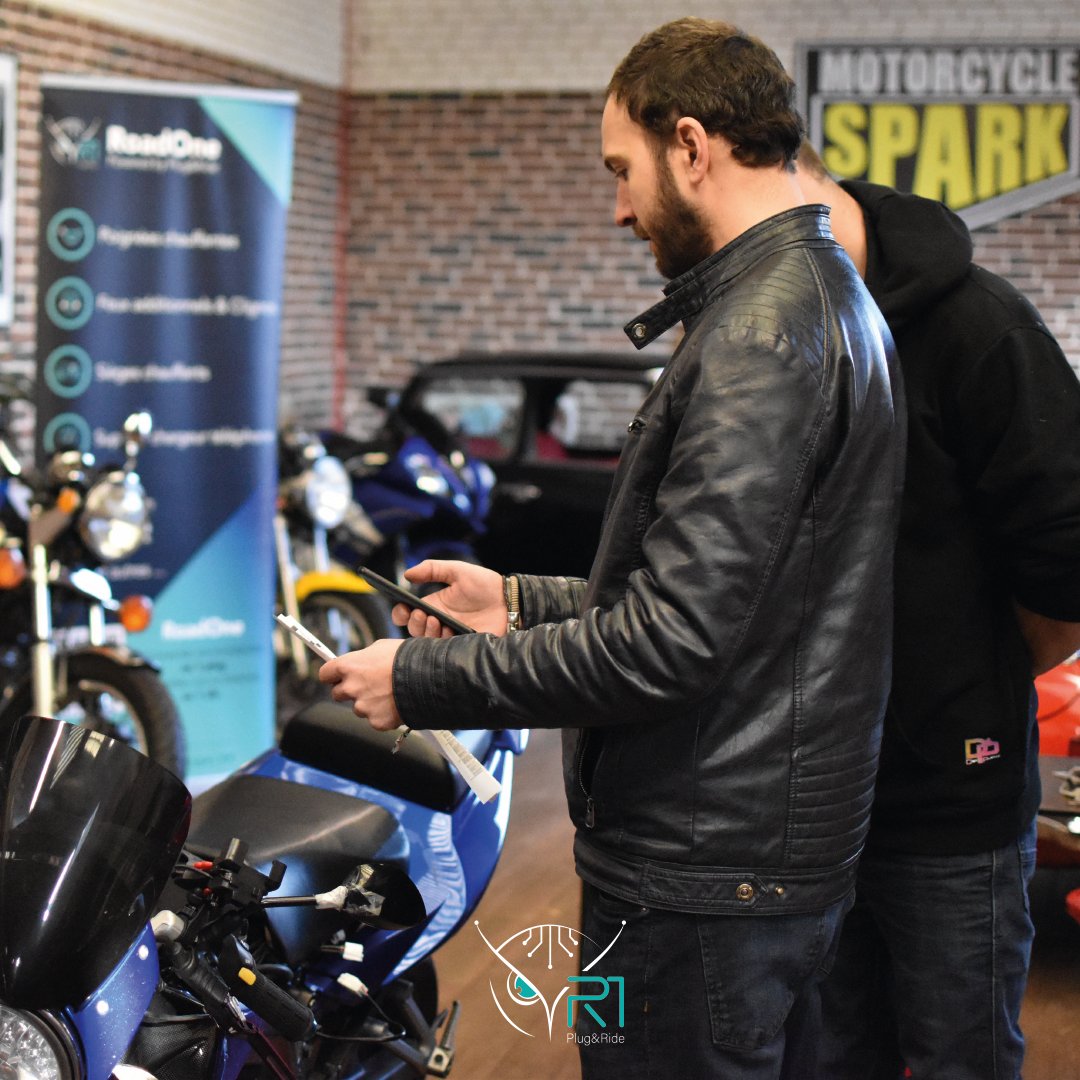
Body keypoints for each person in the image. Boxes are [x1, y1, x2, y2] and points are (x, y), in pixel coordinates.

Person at [321, 18, 904, 1078]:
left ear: (693, 145)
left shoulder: (759, 335)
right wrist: (522, 603)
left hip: (697, 874)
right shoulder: (821, 300)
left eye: (622, 171)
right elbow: (736, 596)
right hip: (745, 860)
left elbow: (673, 644)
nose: (620, 207)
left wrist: (425, 674)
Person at [796, 146, 1080, 1079]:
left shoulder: (982, 329)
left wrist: (959, 693)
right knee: (833, 1058)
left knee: (961, 1058)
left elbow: (1068, 574)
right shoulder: (769, 333)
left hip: (952, 809)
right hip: (801, 810)